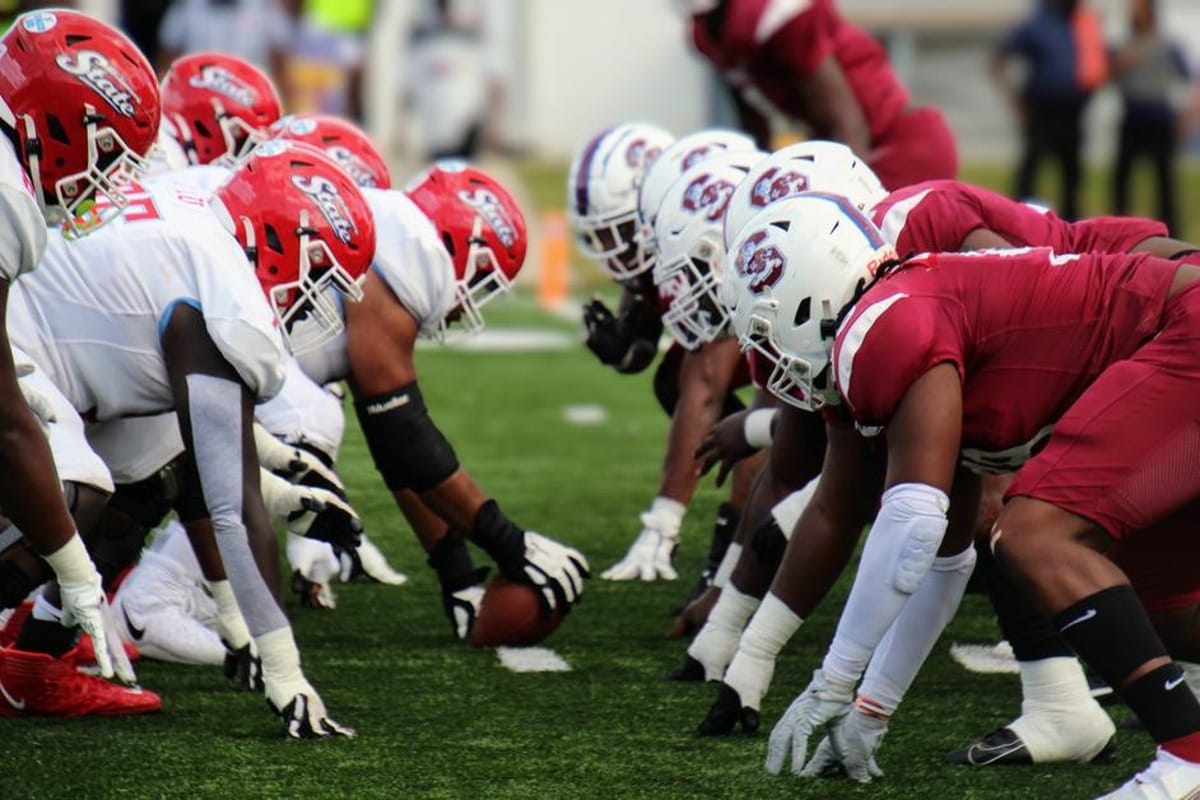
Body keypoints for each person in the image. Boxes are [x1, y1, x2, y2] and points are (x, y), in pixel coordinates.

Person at [724, 193, 1200, 798]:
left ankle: (1188, 755)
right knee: (1165, 611)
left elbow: (911, 525)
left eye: (763, 333)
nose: (768, 364)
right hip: (1180, 343)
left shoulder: (886, 322)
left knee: (1033, 537)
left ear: (807, 301)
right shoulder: (917, 326)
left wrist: (833, 680)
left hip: (1185, 333)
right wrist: (871, 710)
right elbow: (942, 563)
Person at [0, 142, 374, 734]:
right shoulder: (222, 294)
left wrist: (283, 487)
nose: (311, 296)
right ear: (281, 240)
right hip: (20, 353)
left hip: (53, 350)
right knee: (77, 492)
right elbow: (232, 508)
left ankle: (34, 666)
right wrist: (286, 673)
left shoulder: (202, 211)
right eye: (316, 270)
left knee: (151, 471)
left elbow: (203, 431)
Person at [0, 9, 161, 688]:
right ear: (66, 119)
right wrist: (74, 568)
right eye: (109, 148)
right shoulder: (8, 193)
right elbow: (6, 425)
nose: (106, 177)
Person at [679, 0, 957, 190]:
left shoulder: (776, 16)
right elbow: (753, 132)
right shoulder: (708, 33)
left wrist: (848, 199)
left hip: (896, 149)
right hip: (850, 147)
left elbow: (849, 122)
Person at [994, 0, 1107, 221]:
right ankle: (1016, 223)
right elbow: (1001, 57)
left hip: (1074, 112)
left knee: (1072, 177)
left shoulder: (1084, 24)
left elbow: (1099, 63)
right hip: (1042, 112)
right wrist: (1015, 102)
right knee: (1030, 172)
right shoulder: (1039, 22)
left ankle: (1071, 230)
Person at [1110, 0, 1190, 236]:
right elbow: (1105, 76)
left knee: (1165, 181)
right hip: (1132, 116)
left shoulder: (1166, 45)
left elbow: (1188, 79)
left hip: (1159, 117)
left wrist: (1187, 117)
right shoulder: (1124, 46)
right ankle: (1119, 231)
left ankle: (1171, 232)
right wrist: (1120, 64)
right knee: (1122, 179)